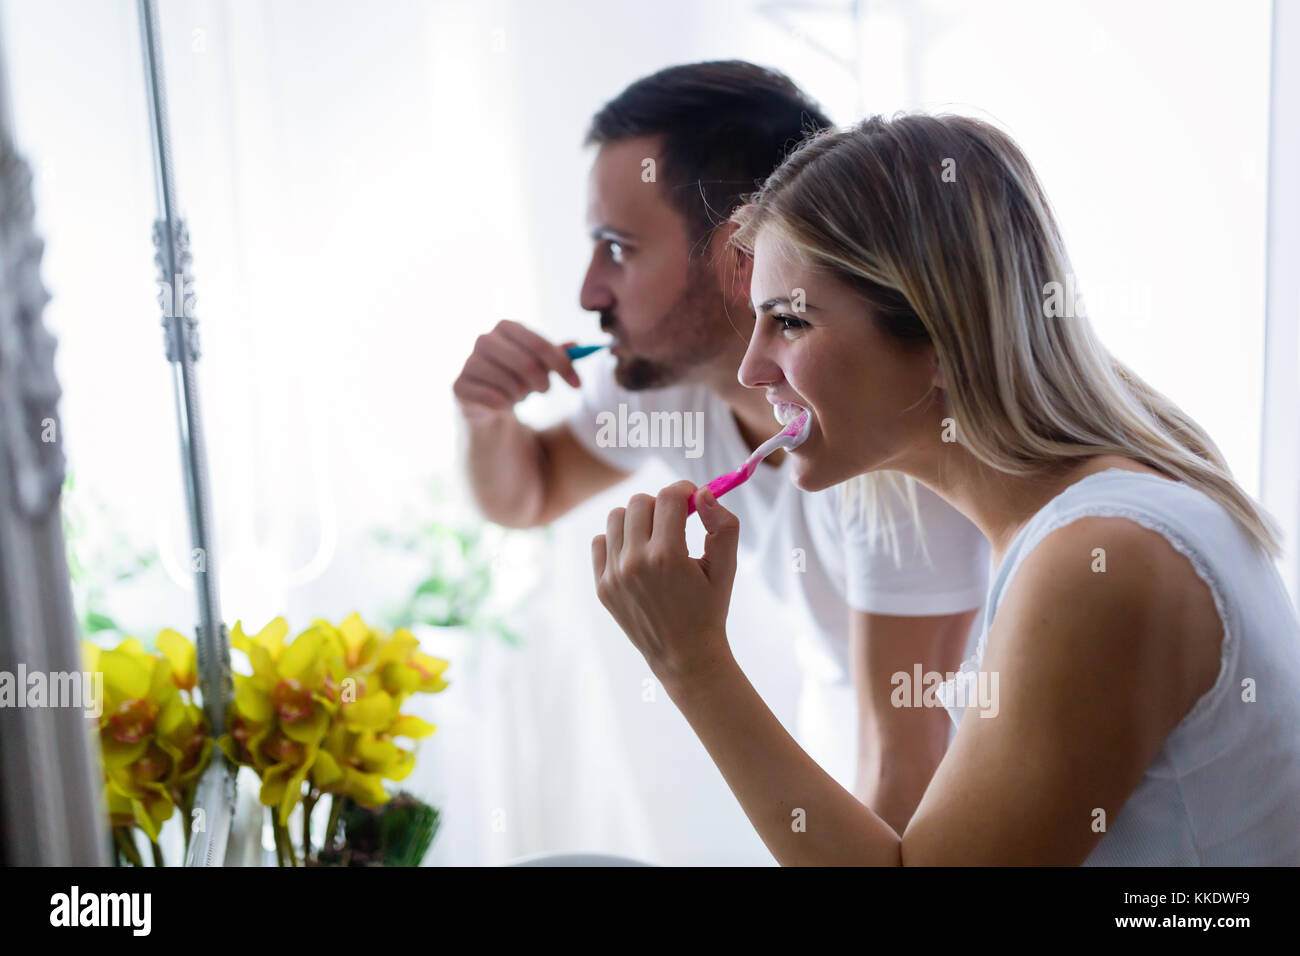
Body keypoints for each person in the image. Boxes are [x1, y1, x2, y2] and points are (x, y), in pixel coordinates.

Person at [589, 112, 1300, 865]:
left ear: (940, 339)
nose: (752, 370)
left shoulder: (1103, 559)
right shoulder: (1090, 526)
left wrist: (691, 663)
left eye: (791, 322)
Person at [453, 63, 990, 833]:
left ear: (740, 252)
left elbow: (909, 760)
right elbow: (528, 494)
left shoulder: (886, 442)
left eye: (618, 247)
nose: (588, 293)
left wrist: (686, 659)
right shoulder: (664, 376)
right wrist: (484, 418)